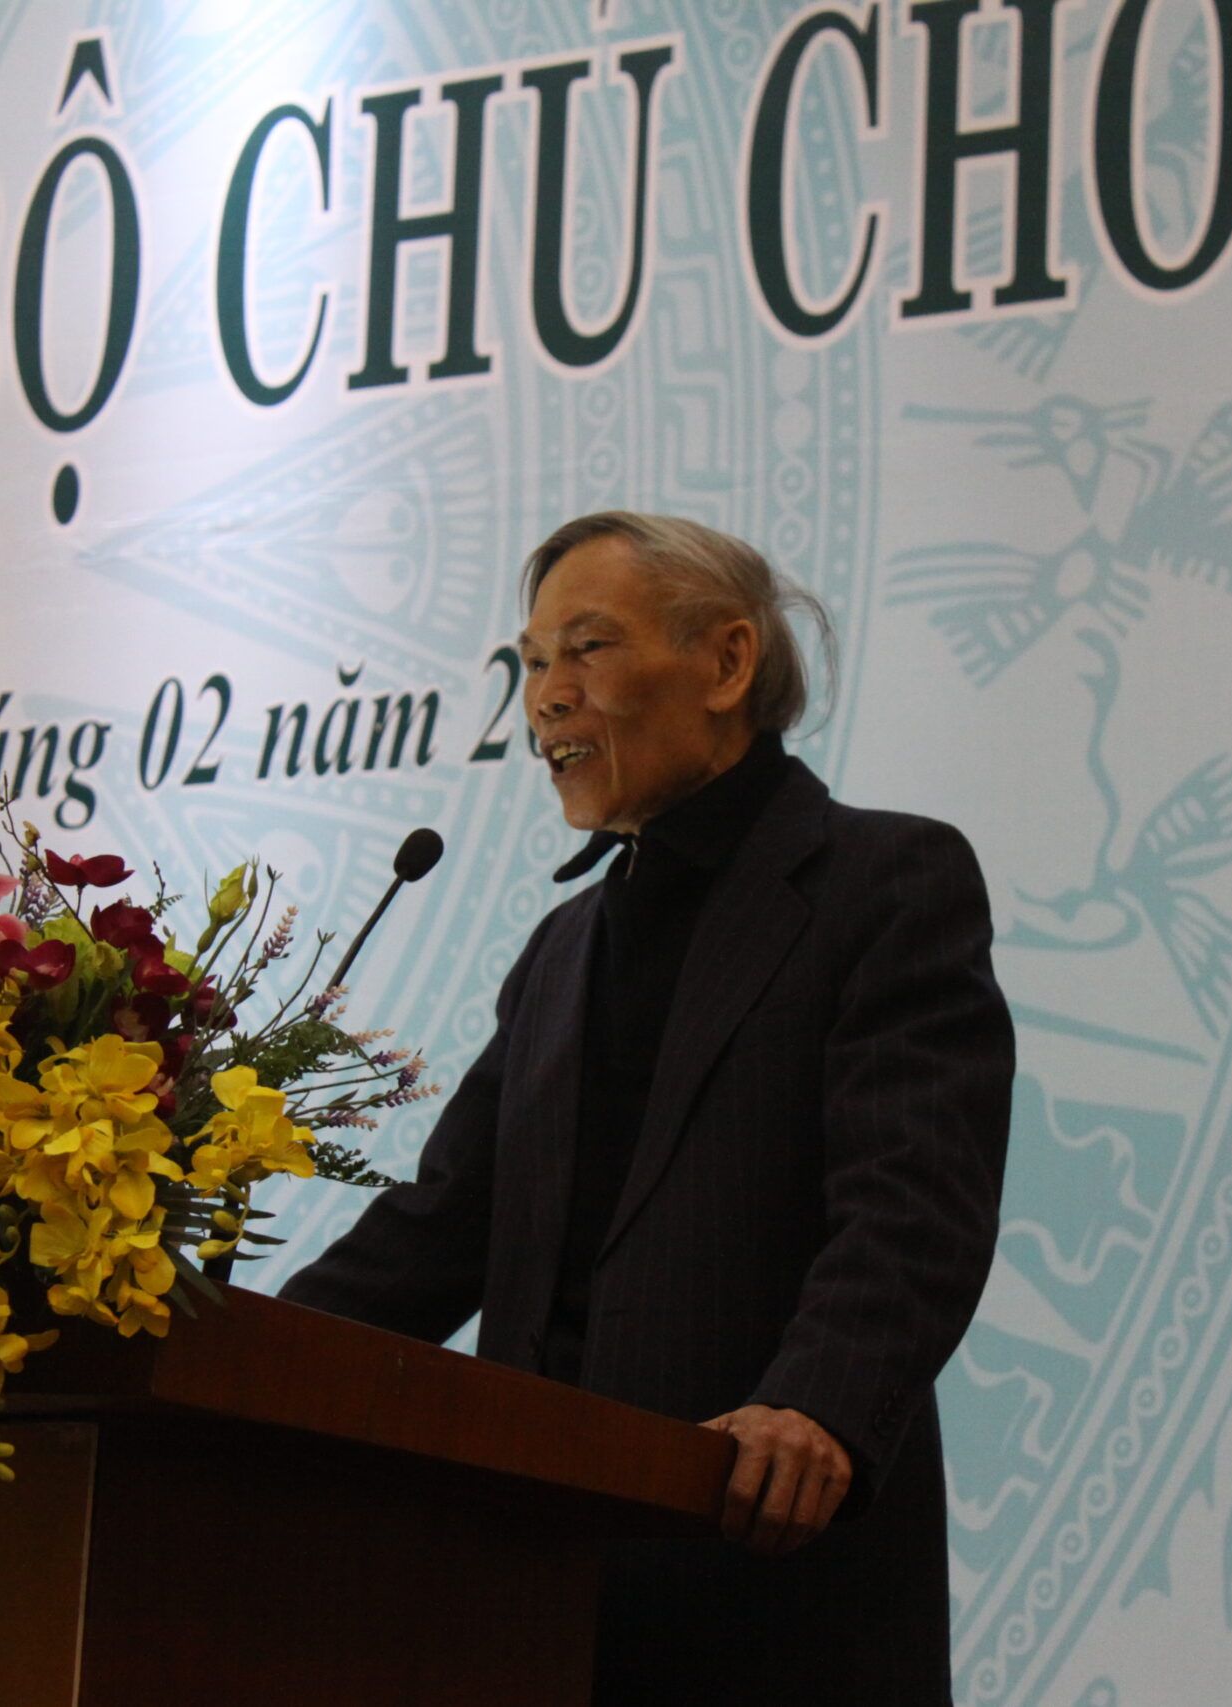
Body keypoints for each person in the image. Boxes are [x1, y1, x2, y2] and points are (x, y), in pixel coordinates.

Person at [280, 511, 1013, 1704]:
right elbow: (439, 1230)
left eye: (588, 648)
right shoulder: (562, 949)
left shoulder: (883, 883)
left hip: (767, 1579)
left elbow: (912, 1203)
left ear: (726, 662)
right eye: (533, 663)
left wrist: (814, 1408)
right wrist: (210, 1352)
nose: (546, 698)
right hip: (540, 1596)